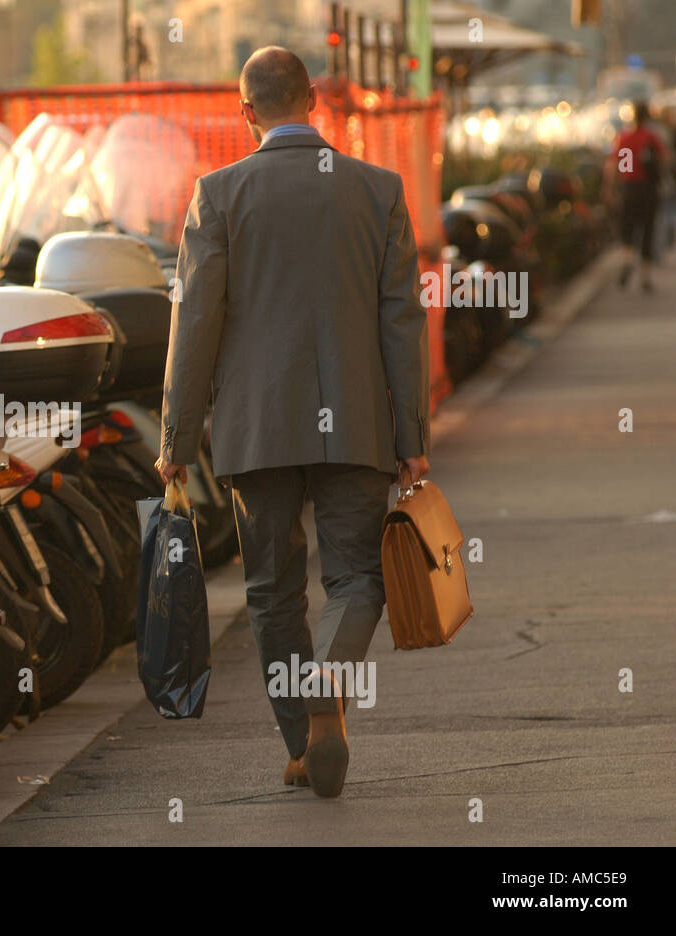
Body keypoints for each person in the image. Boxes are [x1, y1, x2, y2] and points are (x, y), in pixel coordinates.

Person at [156, 46, 431, 799]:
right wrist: (412, 442)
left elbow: (195, 323)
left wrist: (176, 439)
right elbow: (402, 324)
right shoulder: (377, 191)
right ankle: (330, 686)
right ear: (314, 100)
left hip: (257, 427)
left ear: (246, 113)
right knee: (357, 578)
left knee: (273, 592)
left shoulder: (217, 195)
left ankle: (303, 745)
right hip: (358, 425)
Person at [606, 101, 668, 290]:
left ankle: (627, 261)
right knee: (648, 230)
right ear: (647, 116)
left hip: (628, 188)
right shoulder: (651, 137)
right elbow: (665, 159)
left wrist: (609, 189)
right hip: (648, 189)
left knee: (628, 228)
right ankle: (645, 277)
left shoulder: (624, 138)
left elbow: (614, 166)